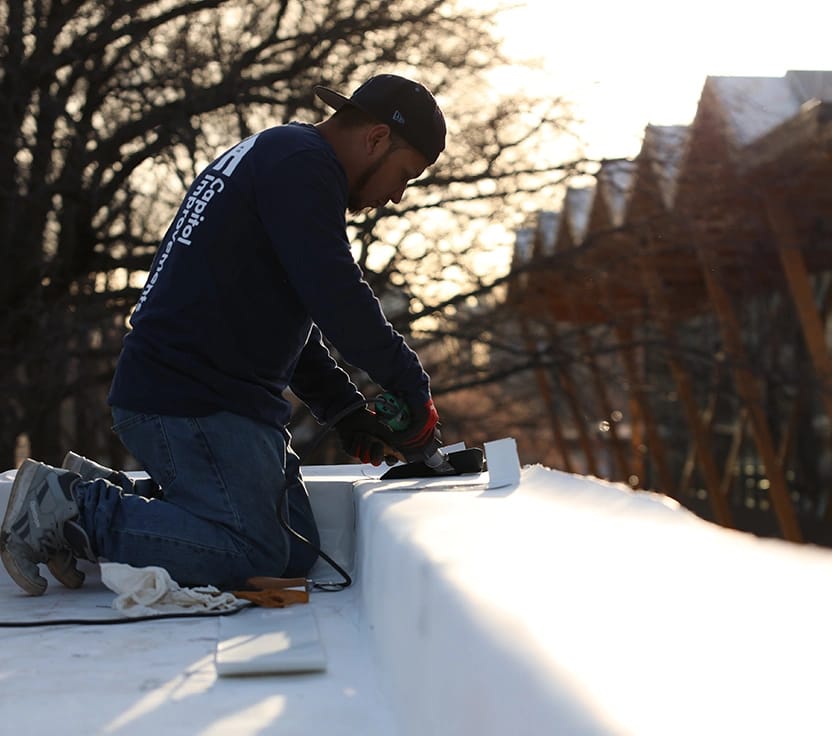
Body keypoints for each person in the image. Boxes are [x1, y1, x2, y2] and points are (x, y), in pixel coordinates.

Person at [1, 73, 447, 596]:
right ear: (376, 138)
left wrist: (345, 411)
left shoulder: (284, 157)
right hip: (188, 398)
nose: (396, 196)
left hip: (211, 399)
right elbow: (337, 296)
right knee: (253, 552)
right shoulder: (301, 165)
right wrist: (411, 386)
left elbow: (290, 318)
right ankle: (69, 507)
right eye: (404, 175)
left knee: (295, 547)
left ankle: (100, 491)